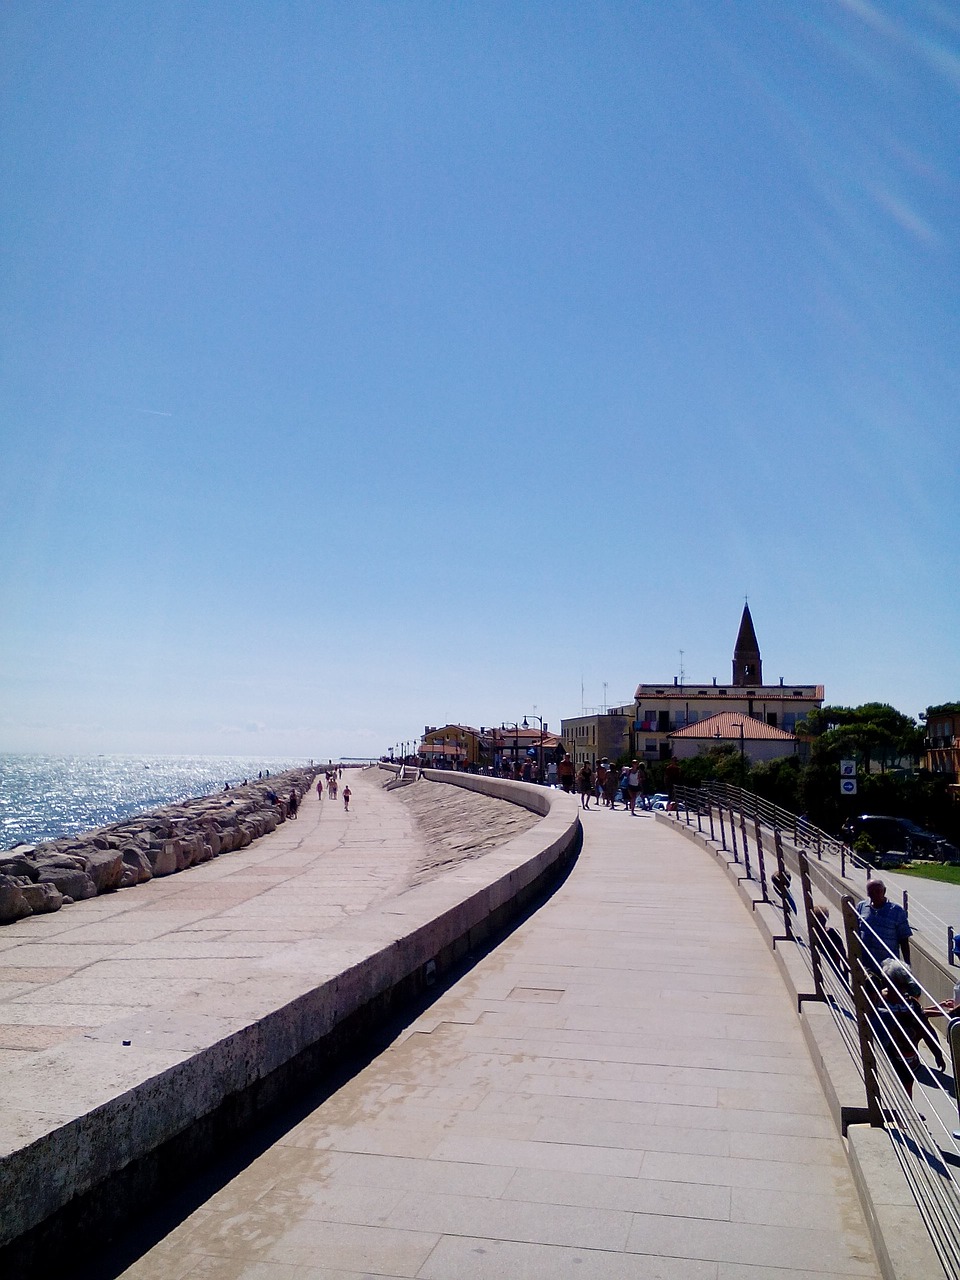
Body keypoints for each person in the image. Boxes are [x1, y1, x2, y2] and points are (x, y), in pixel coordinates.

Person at [871, 958, 944, 1098]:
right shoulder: (878, 1001)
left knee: (907, 1083)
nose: (903, 989)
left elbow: (926, 1029)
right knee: (888, 1087)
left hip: (909, 1059)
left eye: (904, 985)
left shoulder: (911, 1004)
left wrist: (938, 1053)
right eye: (899, 985)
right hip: (886, 1057)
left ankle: (908, 1110)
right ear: (888, 982)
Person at [855, 878, 911, 973]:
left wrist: (907, 964)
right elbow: (855, 932)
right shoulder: (861, 907)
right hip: (866, 965)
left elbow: (904, 940)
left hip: (888, 967)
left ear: (884, 891)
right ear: (868, 893)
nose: (875, 895)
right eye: (871, 892)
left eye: (878, 891)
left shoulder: (897, 911)